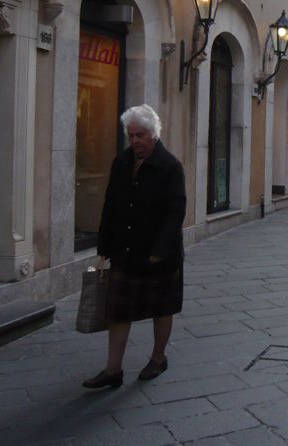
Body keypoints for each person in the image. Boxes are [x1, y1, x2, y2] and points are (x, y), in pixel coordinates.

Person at [82, 104, 186, 389]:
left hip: (158, 255)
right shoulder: (122, 162)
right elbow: (111, 205)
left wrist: (159, 250)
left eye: (140, 135)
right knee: (118, 310)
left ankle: (158, 357)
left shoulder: (170, 166)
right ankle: (113, 369)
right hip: (125, 250)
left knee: (161, 307)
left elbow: (175, 211)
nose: (135, 141)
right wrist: (104, 244)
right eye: (131, 135)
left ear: (153, 135)